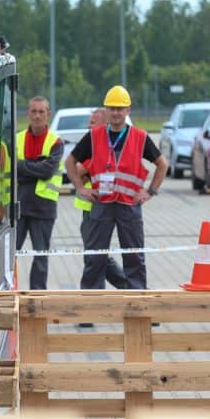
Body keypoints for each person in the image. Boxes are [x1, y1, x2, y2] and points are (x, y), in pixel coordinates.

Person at [66, 85, 167, 290]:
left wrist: (150, 191)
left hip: (129, 206)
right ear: (106, 110)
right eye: (111, 108)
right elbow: (70, 161)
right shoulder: (94, 136)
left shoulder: (139, 137)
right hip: (101, 204)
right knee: (95, 257)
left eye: (120, 108)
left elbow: (162, 164)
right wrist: (80, 188)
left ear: (128, 111)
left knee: (134, 257)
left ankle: (137, 303)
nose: (115, 113)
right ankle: (92, 306)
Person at [74, 108, 128, 291]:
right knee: (95, 258)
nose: (88, 126)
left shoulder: (103, 146)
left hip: (99, 210)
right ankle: (132, 290)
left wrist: (83, 172)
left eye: (93, 122)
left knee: (95, 258)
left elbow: (80, 170)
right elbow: (74, 169)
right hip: (88, 209)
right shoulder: (91, 144)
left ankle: (132, 290)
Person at [15, 96, 63, 290]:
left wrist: (24, 168)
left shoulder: (55, 142)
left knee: (41, 257)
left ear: (48, 114)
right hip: (18, 206)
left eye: (41, 112)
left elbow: (47, 171)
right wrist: (36, 167)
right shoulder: (17, 138)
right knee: (10, 255)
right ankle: (9, 291)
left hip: (43, 209)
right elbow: (13, 167)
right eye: (33, 111)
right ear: (28, 113)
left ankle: (37, 296)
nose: (37, 116)